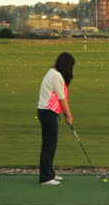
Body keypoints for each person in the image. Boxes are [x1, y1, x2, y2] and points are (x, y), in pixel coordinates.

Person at [37, 52, 75, 185]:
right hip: (47, 112)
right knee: (49, 145)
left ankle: (50, 173)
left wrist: (64, 113)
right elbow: (61, 98)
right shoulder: (56, 76)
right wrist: (69, 116)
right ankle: (45, 178)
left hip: (48, 112)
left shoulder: (52, 72)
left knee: (51, 144)